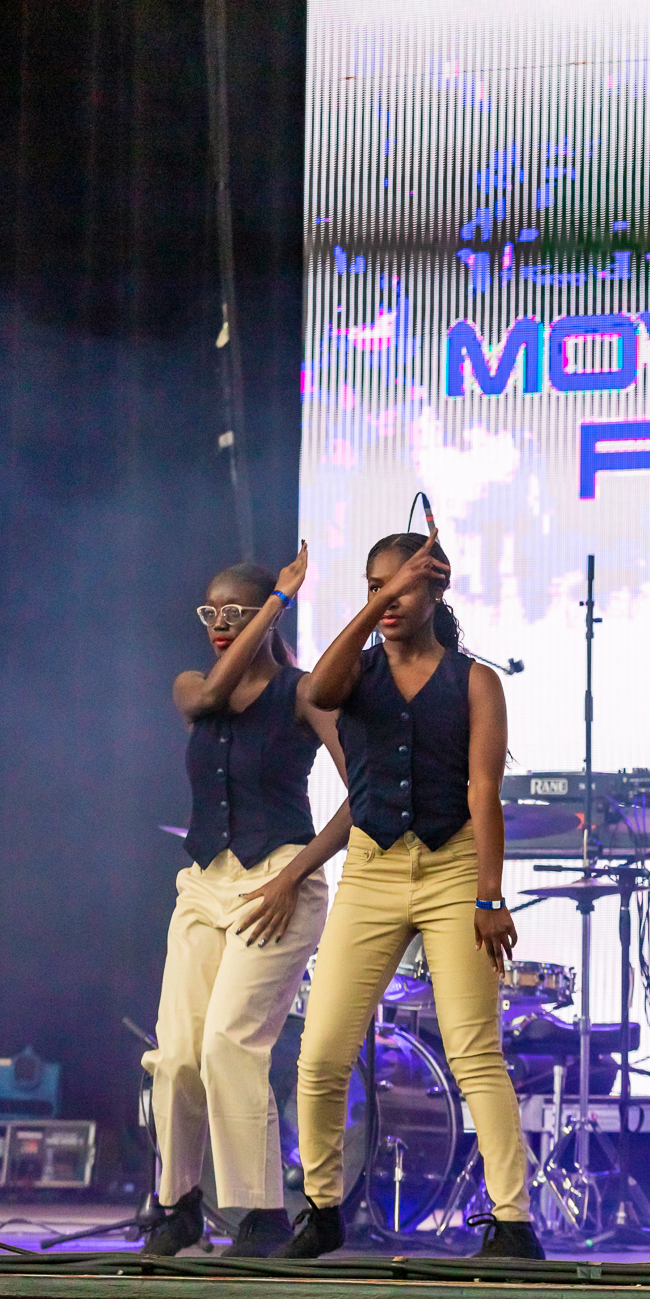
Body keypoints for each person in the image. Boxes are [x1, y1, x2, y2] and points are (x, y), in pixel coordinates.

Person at [280, 528, 543, 1260]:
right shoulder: (354, 672)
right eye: (376, 588)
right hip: (371, 868)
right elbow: (316, 692)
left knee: (474, 1050)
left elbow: (483, 791)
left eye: (402, 587)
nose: (388, 600)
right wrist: (375, 607)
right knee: (320, 1053)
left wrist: (490, 894)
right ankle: (322, 1209)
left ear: (438, 588)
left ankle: (513, 1220)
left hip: (452, 865)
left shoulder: (475, 681)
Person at [141, 543, 353, 1257]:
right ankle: (178, 1205)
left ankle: (261, 1214)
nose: (220, 624)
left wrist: (294, 877)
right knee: (176, 1053)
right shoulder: (191, 686)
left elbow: (364, 793)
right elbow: (206, 701)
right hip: (204, 881)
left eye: (236, 611)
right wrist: (274, 604)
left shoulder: (303, 692)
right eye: (212, 612)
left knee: (230, 1042)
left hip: (280, 876)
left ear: (267, 615)